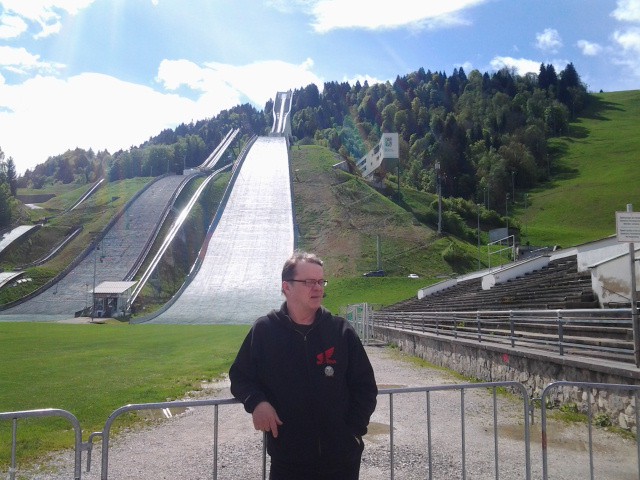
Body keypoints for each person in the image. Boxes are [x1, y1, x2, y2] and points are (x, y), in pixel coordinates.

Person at [229, 251, 378, 479]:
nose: (317, 288)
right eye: (309, 282)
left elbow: (365, 387)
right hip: (288, 461)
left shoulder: (341, 331)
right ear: (286, 287)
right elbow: (240, 377)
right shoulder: (265, 331)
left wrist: (352, 432)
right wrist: (257, 402)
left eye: (320, 281)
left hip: (341, 461)